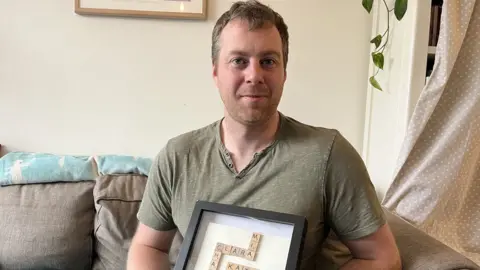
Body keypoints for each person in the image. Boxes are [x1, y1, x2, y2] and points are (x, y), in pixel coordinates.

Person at [127, 0, 401, 269]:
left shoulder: (329, 155)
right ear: (215, 73)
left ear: (283, 73)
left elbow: (383, 258)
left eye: (268, 61)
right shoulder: (177, 156)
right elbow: (148, 246)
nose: (254, 75)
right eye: (238, 61)